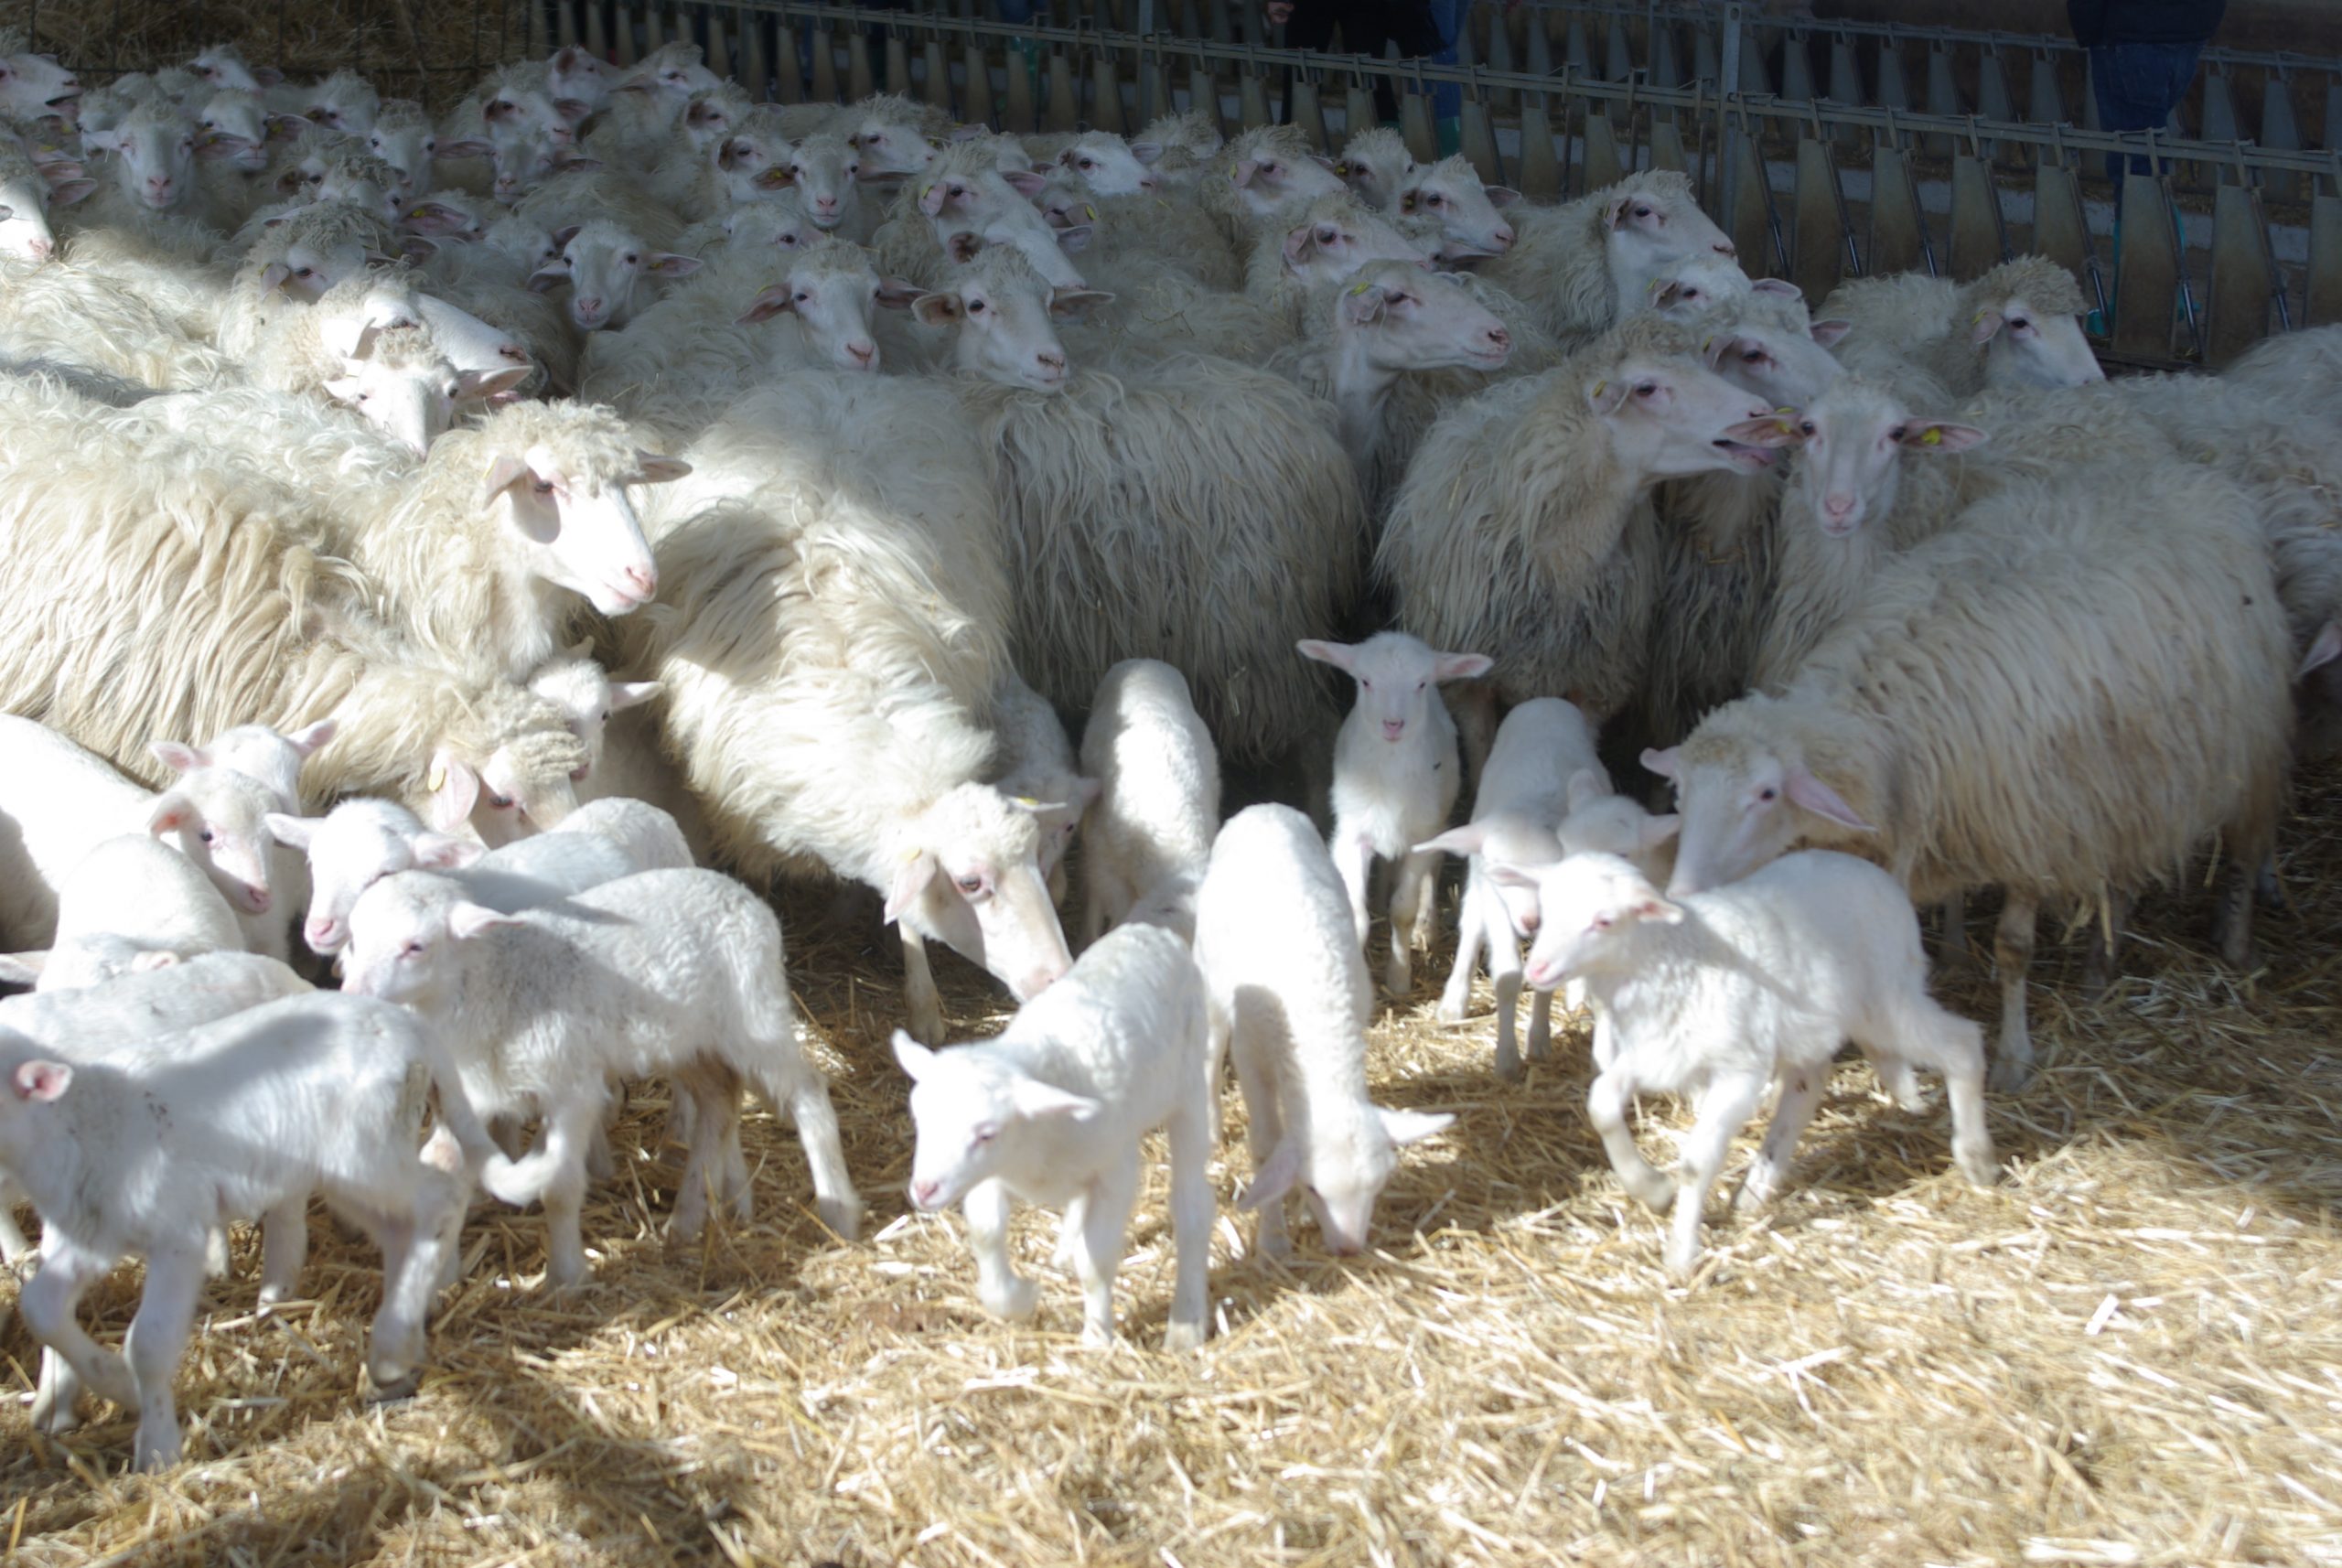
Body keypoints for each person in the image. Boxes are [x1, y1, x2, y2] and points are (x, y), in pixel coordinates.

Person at [2068, 0, 2229, 177]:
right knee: (2146, 143)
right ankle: (2155, 198)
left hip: (2129, 31)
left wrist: (2088, 27)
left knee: (2134, 158)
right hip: (2190, 30)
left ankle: (2148, 202)